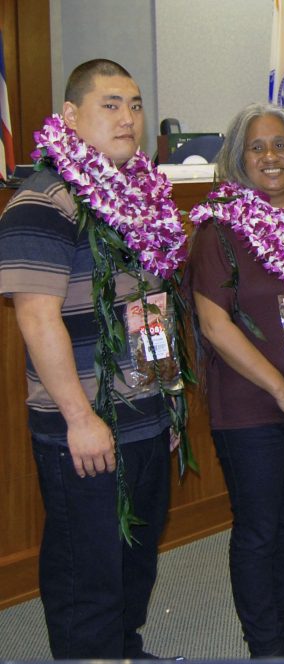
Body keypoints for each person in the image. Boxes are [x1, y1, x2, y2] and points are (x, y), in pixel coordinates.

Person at [0, 59, 189, 658]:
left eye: (134, 104)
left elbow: (149, 304)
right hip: (82, 423)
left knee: (134, 556)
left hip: (144, 413)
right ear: (70, 117)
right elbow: (36, 317)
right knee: (89, 569)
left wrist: (166, 398)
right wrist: (82, 418)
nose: (128, 117)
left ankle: (123, 647)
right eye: (110, 104)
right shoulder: (43, 199)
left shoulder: (140, 197)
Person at [188, 102, 284, 657]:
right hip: (249, 406)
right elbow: (214, 324)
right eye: (257, 147)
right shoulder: (218, 230)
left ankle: (281, 628)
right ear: (238, 159)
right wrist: (282, 392)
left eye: (281, 144)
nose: (271, 157)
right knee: (257, 529)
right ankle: (268, 644)